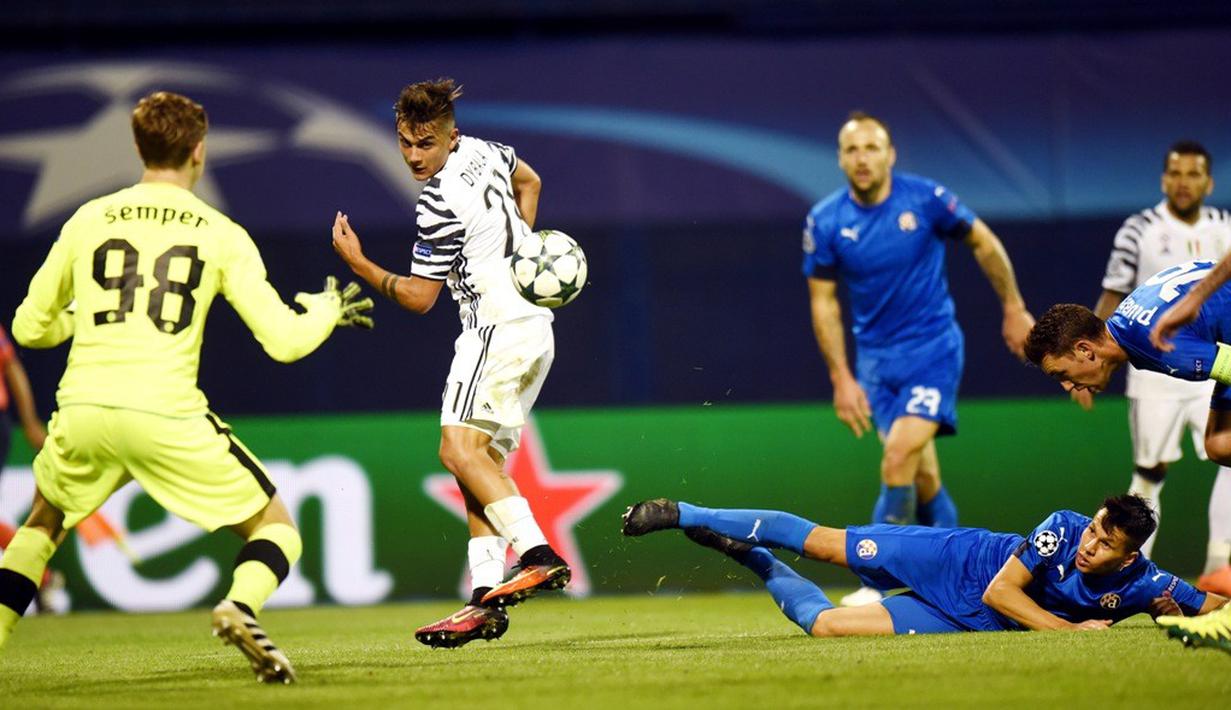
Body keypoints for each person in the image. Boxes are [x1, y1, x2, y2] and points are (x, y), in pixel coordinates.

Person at [0, 91, 373, 683]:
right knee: (274, 524)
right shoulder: (220, 233)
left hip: (83, 408)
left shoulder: (88, 218)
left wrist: (89, 317)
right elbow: (284, 343)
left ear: (138, 147)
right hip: (164, 412)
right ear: (199, 151)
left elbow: (28, 327)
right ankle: (240, 606)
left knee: (42, 524)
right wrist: (326, 309)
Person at [331, 78, 570, 648]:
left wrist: (359, 262)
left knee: (456, 450)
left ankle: (537, 554)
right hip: (534, 328)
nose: (414, 156)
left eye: (425, 144)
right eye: (405, 143)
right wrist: (519, 258)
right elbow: (529, 180)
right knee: (476, 467)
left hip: (493, 330)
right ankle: (484, 600)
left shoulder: (437, 200)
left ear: (448, 136)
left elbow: (419, 298)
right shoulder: (486, 151)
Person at [803, 111, 1035, 606]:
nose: (862, 158)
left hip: (932, 351)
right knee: (922, 473)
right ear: (840, 159)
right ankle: (960, 576)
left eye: (872, 148)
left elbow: (983, 241)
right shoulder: (825, 220)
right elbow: (823, 302)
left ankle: (876, 581)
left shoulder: (925, 199)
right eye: (852, 150)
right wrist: (841, 377)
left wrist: (1013, 307)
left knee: (898, 455)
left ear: (891, 154)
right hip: (875, 365)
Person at [622, 494, 1227, 637]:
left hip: (975, 620)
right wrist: (1075, 634)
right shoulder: (1062, 528)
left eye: (1105, 544)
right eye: (1095, 530)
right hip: (964, 562)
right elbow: (1001, 592)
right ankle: (680, 511)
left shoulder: (1149, 584)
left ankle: (749, 556)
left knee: (829, 628)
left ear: (1130, 556)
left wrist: (1187, 621)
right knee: (826, 545)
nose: (1090, 545)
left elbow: (1218, 611)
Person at [1078, 141, 1231, 587]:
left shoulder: (1225, 225)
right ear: (1164, 179)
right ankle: (1129, 572)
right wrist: (1094, 361)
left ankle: (1217, 563)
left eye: (1193, 174)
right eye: (1175, 174)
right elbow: (1112, 293)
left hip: (1209, 358)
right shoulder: (1138, 229)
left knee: (1222, 453)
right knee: (1150, 469)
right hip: (1155, 371)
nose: (1183, 183)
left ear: (1209, 182)